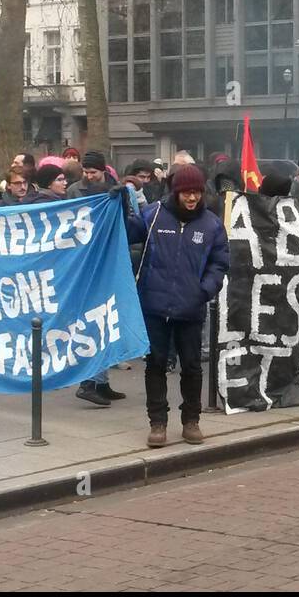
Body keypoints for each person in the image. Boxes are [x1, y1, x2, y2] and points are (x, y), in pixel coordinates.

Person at [126, 165, 229, 447]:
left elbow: (219, 263)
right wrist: (117, 203)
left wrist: (204, 290)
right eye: (186, 192)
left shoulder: (212, 225)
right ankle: (158, 423)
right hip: (154, 306)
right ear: (176, 192)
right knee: (156, 365)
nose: (192, 198)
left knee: (192, 368)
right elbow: (126, 231)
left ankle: (191, 420)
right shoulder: (155, 214)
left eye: (196, 192)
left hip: (191, 308)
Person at [64, 151, 123, 405]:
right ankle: (88, 382)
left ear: (103, 170)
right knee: (93, 321)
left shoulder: (115, 189)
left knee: (107, 320)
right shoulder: (75, 190)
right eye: (86, 172)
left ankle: (102, 381)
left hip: (107, 258)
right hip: (86, 261)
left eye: (93, 172)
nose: (88, 176)